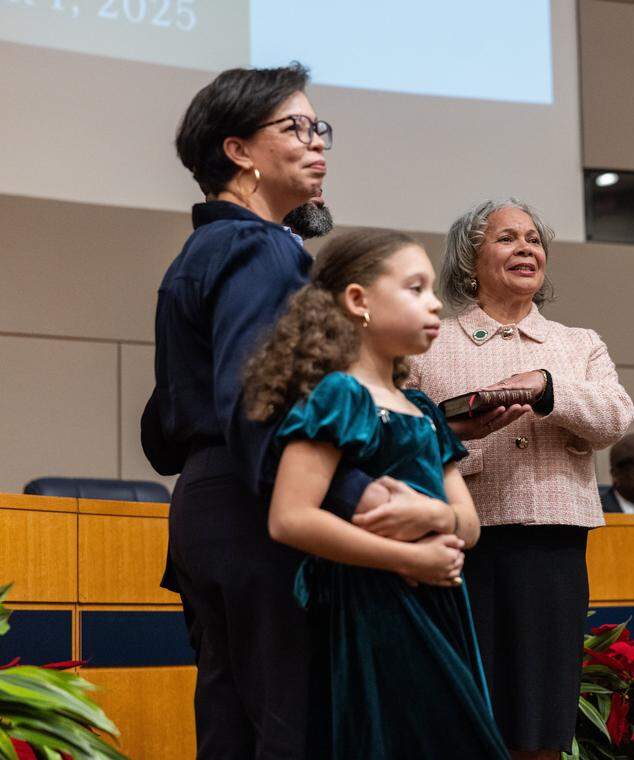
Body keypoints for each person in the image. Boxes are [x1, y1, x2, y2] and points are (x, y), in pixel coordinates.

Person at [142, 64, 392, 758]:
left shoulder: (202, 251)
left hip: (209, 507)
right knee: (294, 732)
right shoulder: (261, 249)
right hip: (261, 515)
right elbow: (260, 401)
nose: (317, 142)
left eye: (319, 128)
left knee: (233, 731)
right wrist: (358, 494)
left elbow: (162, 431)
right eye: (295, 127)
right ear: (239, 151)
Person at [243, 229, 508, 759]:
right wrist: (407, 557)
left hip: (439, 601)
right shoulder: (341, 396)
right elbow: (290, 518)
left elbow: (470, 524)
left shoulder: (422, 408)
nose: (435, 303)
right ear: (358, 300)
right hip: (373, 607)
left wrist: (433, 514)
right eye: (415, 288)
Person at [406, 198, 634, 759]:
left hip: (552, 551)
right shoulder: (429, 342)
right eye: (506, 238)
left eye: (534, 239)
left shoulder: (579, 344)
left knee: (541, 725)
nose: (526, 248)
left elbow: (615, 417)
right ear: (470, 258)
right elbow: (397, 437)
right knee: (464, 721)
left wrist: (546, 386)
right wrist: (457, 432)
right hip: (457, 548)